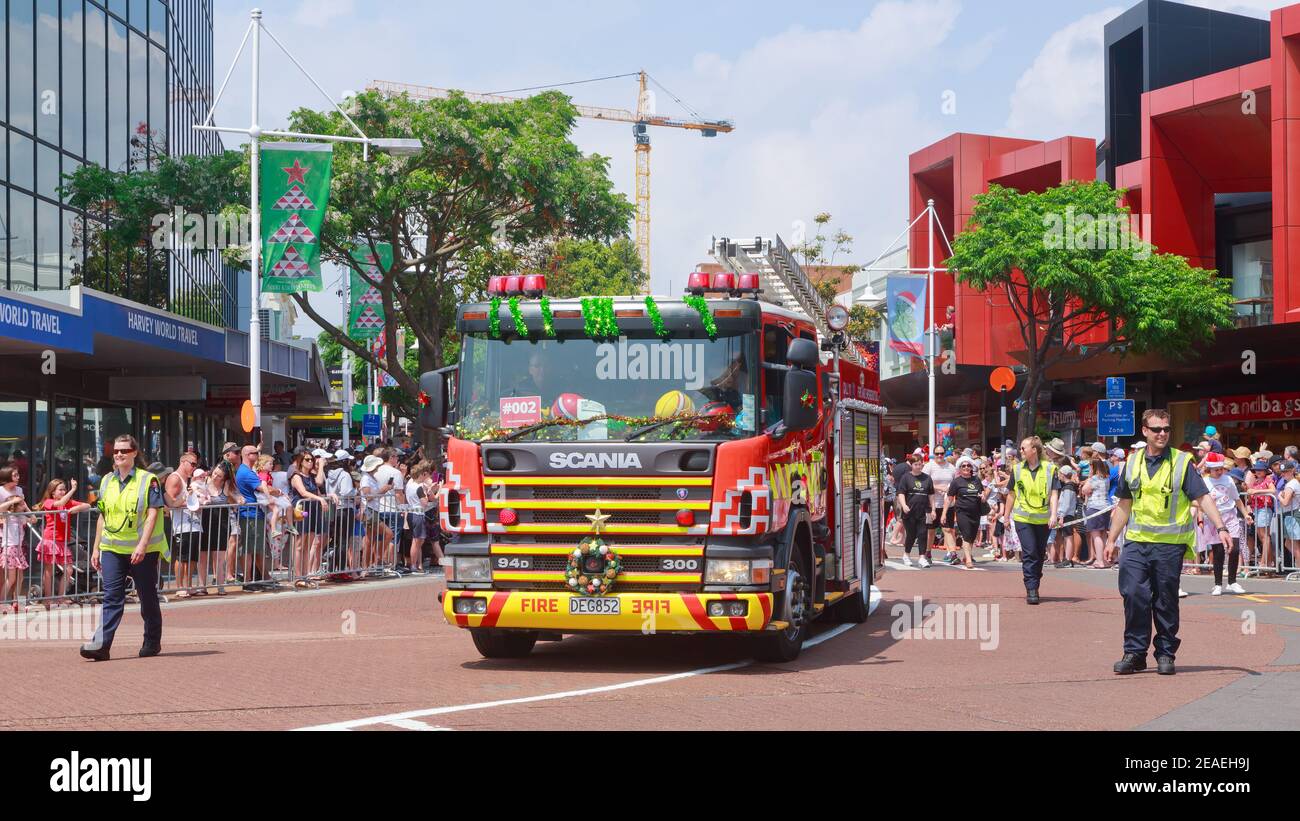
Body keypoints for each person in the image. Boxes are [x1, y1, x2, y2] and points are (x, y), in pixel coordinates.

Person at [1105, 409, 1233, 676]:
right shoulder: (1131, 462)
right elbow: (1124, 504)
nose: (1162, 433)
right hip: (1137, 542)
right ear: (1145, 431)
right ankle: (1135, 653)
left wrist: (1220, 527)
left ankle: (1165, 653)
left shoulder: (1182, 462)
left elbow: (1203, 497)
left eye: (1166, 429)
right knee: (1133, 595)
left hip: (1169, 545)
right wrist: (1111, 539)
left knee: (1165, 600)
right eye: (1156, 429)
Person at [80, 435, 168, 661]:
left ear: (134, 453)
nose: (119, 454)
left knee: (146, 596)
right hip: (112, 548)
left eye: (124, 451)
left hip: (143, 550)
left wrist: (142, 544)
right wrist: (96, 548)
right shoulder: (107, 480)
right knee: (111, 596)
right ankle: (101, 645)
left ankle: (152, 641)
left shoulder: (148, 480)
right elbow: (103, 516)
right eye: (116, 451)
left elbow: (152, 514)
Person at [1004, 436, 1060, 605]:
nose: (1020, 451)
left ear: (1034, 450)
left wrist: (1053, 514)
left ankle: (1035, 580)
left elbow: (1055, 493)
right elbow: (1011, 494)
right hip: (1023, 518)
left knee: (1038, 553)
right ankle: (1031, 588)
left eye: (1023, 448)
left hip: (1043, 519)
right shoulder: (1017, 469)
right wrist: (1006, 516)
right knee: (1029, 553)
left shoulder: (1050, 469)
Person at [1197, 452, 1250, 595]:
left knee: (1235, 548)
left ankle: (1232, 582)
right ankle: (1218, 583)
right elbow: (1201, 503)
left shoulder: (1228, 480)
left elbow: (1237, 499)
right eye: (1216, 469)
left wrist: (1245, 514)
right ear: (1210, 469)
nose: (1219, 472)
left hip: (1230, 516)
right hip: (1213, 519)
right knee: (1218, 551)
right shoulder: (1205, 481)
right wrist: (1200, 518)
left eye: (1221, 468)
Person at [35, 478, 90, 608]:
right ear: (53, 492)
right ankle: (48, 599)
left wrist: (75, 509)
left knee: (69, 569)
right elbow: (60, 502)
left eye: (64, 489)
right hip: (50, 539)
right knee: (49, 570)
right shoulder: (49, 502)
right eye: (60, 489)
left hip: (61, 541)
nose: (63, 491)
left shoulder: (68, 503)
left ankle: (60, 597)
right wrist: (73, 490)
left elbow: (87, 506)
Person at [235, 445, 283, 590]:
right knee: (250, 549)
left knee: (257, 548)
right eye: (256, 453)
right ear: (248, 455)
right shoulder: (246, 472)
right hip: (249, 514)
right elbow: (264, 488)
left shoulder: (248, 471)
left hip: (254, 513)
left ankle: (263, 577)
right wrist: (279, 491)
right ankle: (248, 581)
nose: (258, 455)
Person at [289, 451, 332, 588]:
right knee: (300, 544)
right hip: (302, 509)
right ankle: (297, 576)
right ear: (301, 461)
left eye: (312, 459)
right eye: (307, 459)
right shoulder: (296, 476)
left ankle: (305, 575)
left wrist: (320, 467)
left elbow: (319, 483)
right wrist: (319, 499)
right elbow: (303, 492)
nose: (310, 462)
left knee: (309, 543)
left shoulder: (311, 476)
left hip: (313, 509)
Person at [163, 452, 203, 599]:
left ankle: (188, 585)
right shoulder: (175, 478)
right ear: (183, 462)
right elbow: (171, 502)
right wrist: (189, 502)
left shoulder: (188, 480)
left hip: (194, 523)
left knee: (192, 557)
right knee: (182, 556)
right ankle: (179, 586)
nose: (194, 467)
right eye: (192, 464)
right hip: (182, 525)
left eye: (196, 465)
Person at [941, 458, 986, 569]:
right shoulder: (956, 482)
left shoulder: (976, 480)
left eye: (968, 466)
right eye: (963, 466)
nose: (966, 467)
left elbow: (983, 492)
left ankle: (966, 556)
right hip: (962, 512)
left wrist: (983, 496)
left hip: (975, 512)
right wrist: (944, 513)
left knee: (972, 536)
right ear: (960, 469)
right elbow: (949, 498)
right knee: (966, 535)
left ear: (971, 468)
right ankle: (969, 559)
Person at [0, 466, 30, 613]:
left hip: (19, 540)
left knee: (20, 576)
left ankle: (19, 602)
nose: (18, 477)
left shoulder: (19, 490)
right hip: (8, 539)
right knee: (10, 577)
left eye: (18, 474)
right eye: (15, 475)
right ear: (7, 476)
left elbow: (24, 508)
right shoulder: (1, 491)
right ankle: (2, 602)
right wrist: (13, 502)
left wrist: (24, 507)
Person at [896, 457, 933, 568]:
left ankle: (922, 557)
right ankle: (906, 555)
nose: (918, 466)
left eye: (920, 464)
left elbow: (931, 495)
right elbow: (901, 493)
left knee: (922, 534)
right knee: (911, 534)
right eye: (916, 464)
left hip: (923, 510)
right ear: (911, 465)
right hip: (909, 511)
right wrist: (904, 505)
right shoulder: (906, 477)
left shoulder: (927, 478)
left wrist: (933, 509)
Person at [923, 445, 956, 562]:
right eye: (937, 453)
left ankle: (952, 553)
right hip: (932, 504)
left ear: (945, 453)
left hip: (947, 504)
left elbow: (955, 484)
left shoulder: (951, 467)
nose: (939, 456)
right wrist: (937, 487)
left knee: (948, 529)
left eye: (941, 453)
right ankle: (927, 553)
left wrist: (950, 490)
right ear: (934, 454)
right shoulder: (929, 466)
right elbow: (923, 484)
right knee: (930, 531)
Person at [1245, 460, 1276, 571]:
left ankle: (1263, 563)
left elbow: (1273, 491)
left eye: (1260, 470)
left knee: (1264, 536)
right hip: (1257, 509)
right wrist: (1250, 492)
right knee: (1262, 536)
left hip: (1264, 508)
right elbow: (1250, 496)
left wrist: (1256, 492)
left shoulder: (1268, 480)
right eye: (1256, 470)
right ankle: (1269, 563)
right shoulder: (1256, 482)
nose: (1257, 472)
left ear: (1265, 471)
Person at [1082, 457, 1112, 568]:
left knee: (1095, 535)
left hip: (1094, 508)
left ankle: (1099, 560)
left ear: (1093, 467)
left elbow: (1085, 490)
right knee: (1103, 534)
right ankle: (1104, 560)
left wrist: (1088, 479)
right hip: (1105, 507)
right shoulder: (1106, 478)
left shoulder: (1093, 478)